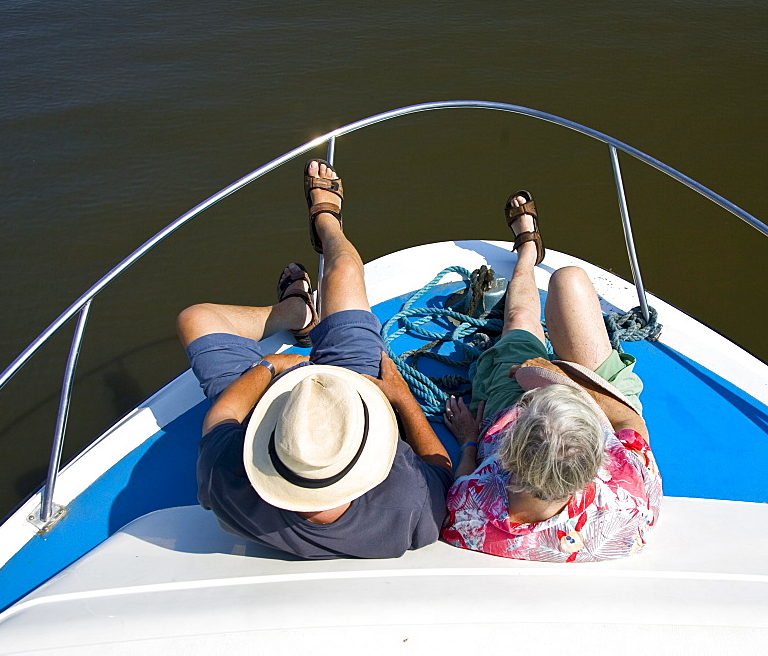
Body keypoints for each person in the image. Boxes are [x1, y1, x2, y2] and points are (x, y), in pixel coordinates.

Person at [177, 159, 453, 559]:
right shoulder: (409, 506)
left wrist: (270, 367)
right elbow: (440, 467)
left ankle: (298, 313)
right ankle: (328, 221)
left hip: (274, 402)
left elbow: (220, 418)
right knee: (342, 272)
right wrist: (400, 395)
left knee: (195, 317)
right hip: (348, 397)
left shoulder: (228, 484)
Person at [440, 190, 662, 562]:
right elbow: (627, 417)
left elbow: (465, 474)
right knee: (570, 280)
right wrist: (563, 378)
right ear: (600, 460)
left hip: (543, 408)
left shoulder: (471, 514)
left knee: (522, 323)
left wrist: (469, 441)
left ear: (506, 452)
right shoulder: (628, 496)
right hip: (603, 403)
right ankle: (531, 253)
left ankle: (526, 254)